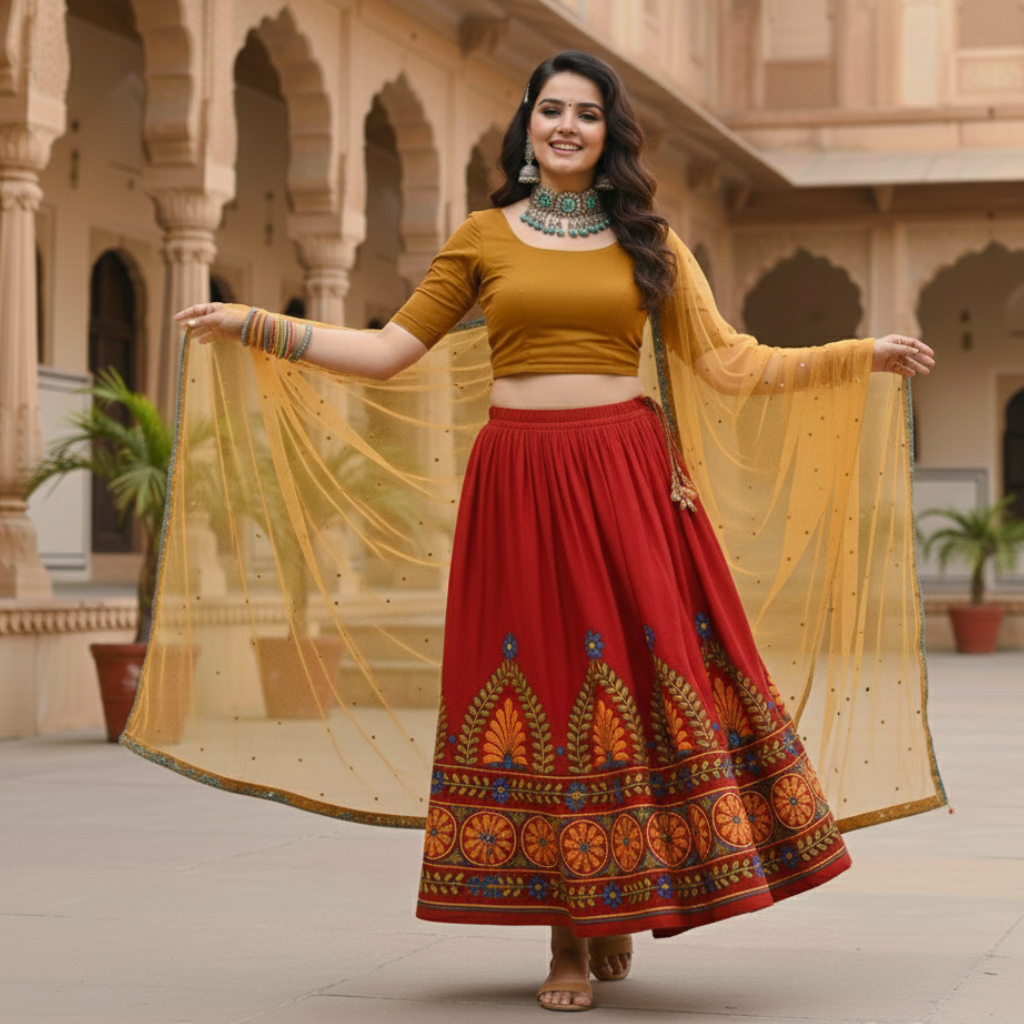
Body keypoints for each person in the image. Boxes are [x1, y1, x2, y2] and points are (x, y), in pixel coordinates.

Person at [175, 50, 935, 1013]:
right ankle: (567, 938)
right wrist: (258, 324)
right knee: (546, 688)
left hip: (624, 481)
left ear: (609, 133)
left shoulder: (650, 242)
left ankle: (616, 904)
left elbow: (730, 363)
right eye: (551, 110)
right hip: (520, 485)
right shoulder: (482, 237)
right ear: (528, 126)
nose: (567, 126)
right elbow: (388, 350)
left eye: (586, 113)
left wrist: (857, 355)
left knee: (628, 692)